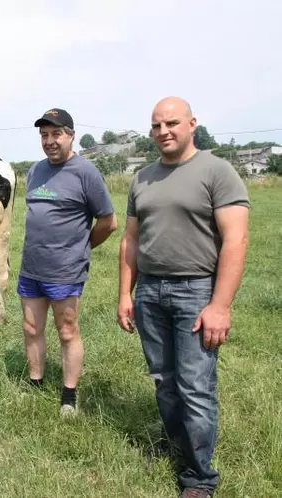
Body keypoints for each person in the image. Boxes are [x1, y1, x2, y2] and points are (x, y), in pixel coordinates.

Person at [117, 96, 250, 497]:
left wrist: (220, 305)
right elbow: (131, 239)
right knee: (164, 381)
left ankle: (199, 477)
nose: (163, 132)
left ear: (192, 124)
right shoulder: (142, 178)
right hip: (150, 291)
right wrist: (126, 293)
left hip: (196, 290)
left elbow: (236, 240)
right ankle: (179, 446)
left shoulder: (217, 172)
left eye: (171, 123)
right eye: (156, 126)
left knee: (195, 385)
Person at [20, 107, 118, 417]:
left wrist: (81, 247)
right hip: (31, 267)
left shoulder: (85, 172)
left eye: (56, 134)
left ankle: (69, 395)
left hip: (65, 270)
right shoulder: (36, 171)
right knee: (31, 327)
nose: (50, 141)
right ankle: (35, 383)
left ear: (70, 135)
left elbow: (108, 221)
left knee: (67, 332)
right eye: (44, 135)